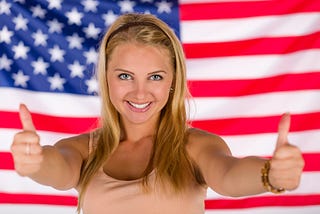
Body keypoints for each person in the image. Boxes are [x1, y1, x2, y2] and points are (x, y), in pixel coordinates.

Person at [10, 13, 304, 214]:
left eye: (155, 77)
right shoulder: (84, 150)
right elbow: (58, 169)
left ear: (173, 80)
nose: (140, 93)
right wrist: (34, 163)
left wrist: (270, 175)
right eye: (125, 76)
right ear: (106, 77)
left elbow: (228, 174)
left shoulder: (196, 147)